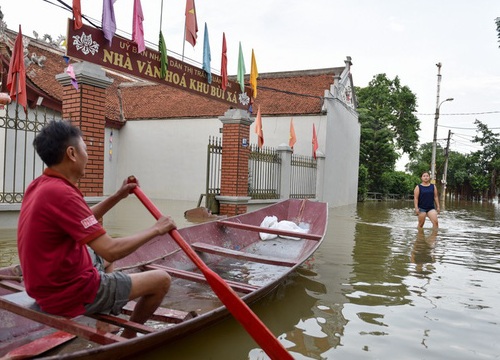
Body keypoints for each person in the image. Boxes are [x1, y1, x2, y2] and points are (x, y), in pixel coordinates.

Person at [17, 119, 176, 338]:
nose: (87, 156)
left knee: (105, 260)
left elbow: (85, 220)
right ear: (72, 153)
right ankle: (127, 339)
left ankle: (106, 322)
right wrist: (157, 229)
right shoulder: (63, 193)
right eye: (85, 149)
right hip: (67, 294)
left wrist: (118, 196)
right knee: (161, 280)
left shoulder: (41, 185)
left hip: (43, 286)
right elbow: (110, 249)